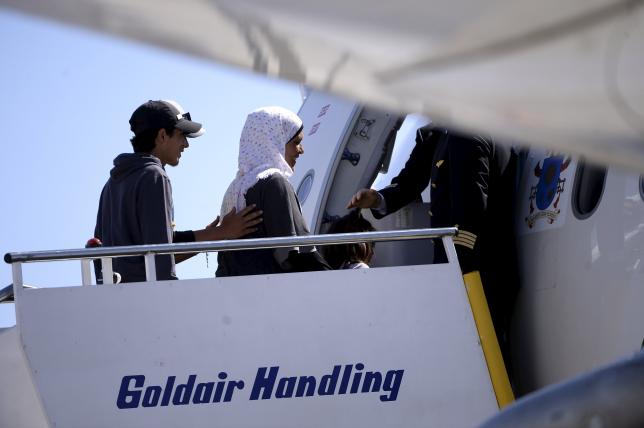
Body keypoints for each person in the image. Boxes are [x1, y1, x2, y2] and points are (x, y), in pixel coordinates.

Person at [347, 125, 519, 360]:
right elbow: (410, 181)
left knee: (481, 363)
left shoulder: (465, 133)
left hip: (474, 273)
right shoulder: (440, 132)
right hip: (479, 270)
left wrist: (455, 277)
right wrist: (377, 198)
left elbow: (470, 218)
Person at [94, 99, 262, 283]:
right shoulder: (155, 175)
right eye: (182, 135)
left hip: (116, 296)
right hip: (148, 300)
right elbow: (161, 255)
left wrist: (217, 233)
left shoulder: (111, 185)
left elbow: (156, 250)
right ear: (162, 136)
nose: (186, 144)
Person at [216, 106, 331, 277]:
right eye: (296, 143)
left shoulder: (235, 189)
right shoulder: (274, 182)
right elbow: (295, 254)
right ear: (274, 142)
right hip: (272, 290)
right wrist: (333, 277)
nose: (301, 150)